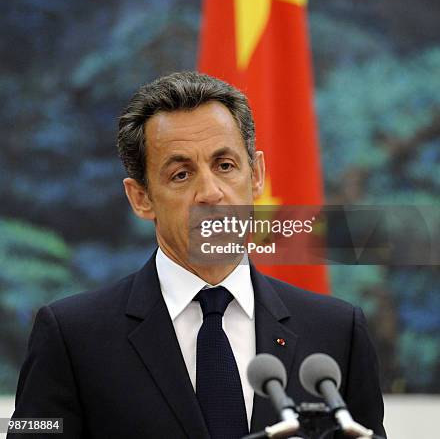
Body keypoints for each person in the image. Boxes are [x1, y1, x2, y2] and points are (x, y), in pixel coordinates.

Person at [9, 71, 386, 438]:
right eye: (181, 174)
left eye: (225, 166)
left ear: (256, 176)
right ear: (140, 198)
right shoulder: (72, 337)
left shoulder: (337, 331)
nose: (210, 193)